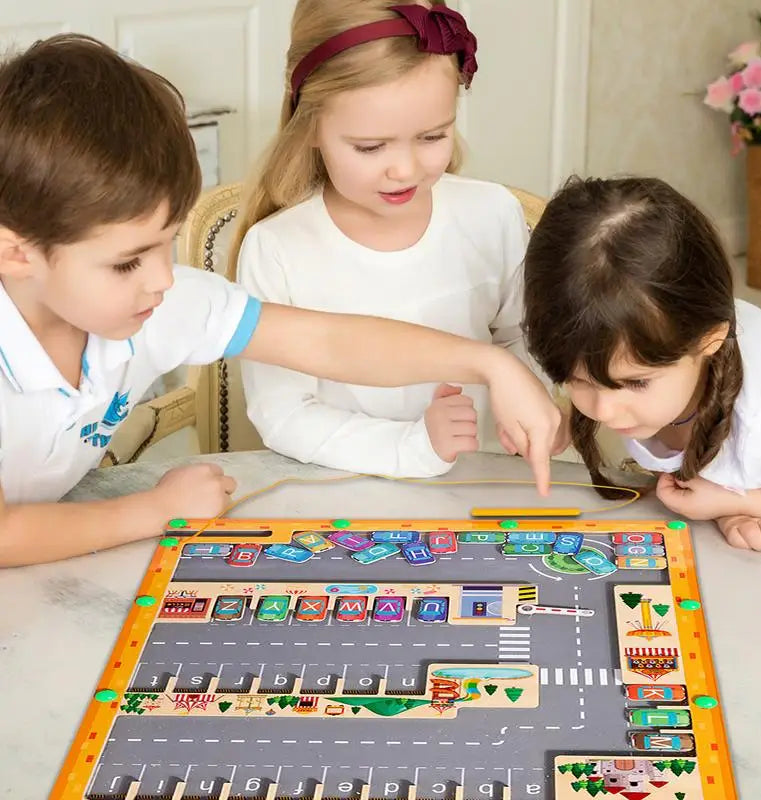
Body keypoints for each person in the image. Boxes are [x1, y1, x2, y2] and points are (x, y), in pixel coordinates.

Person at [0, 34, 561, 567]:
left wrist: (491, 364)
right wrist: (154, 510)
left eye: (167, 246)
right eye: (127, 262)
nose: (163, 280)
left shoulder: (159, 302)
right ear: (16, 252)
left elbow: (328, 340)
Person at [233, 0, 552, 477]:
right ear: (310, 126)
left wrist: (536, 406)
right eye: (370, 147)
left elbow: (526, 341)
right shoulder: (277, 249)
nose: (404, 170)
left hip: (484, 490)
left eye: (432, 137)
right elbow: (283, 413)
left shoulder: (492, 215)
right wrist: (413, 446)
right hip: (344, 503)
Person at [521, 175, 761, 554]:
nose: (604, 411)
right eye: (577, 380)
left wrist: (743, 503)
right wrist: (563, 418)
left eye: (635, 383)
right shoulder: (659, 348)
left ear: (710, 340)